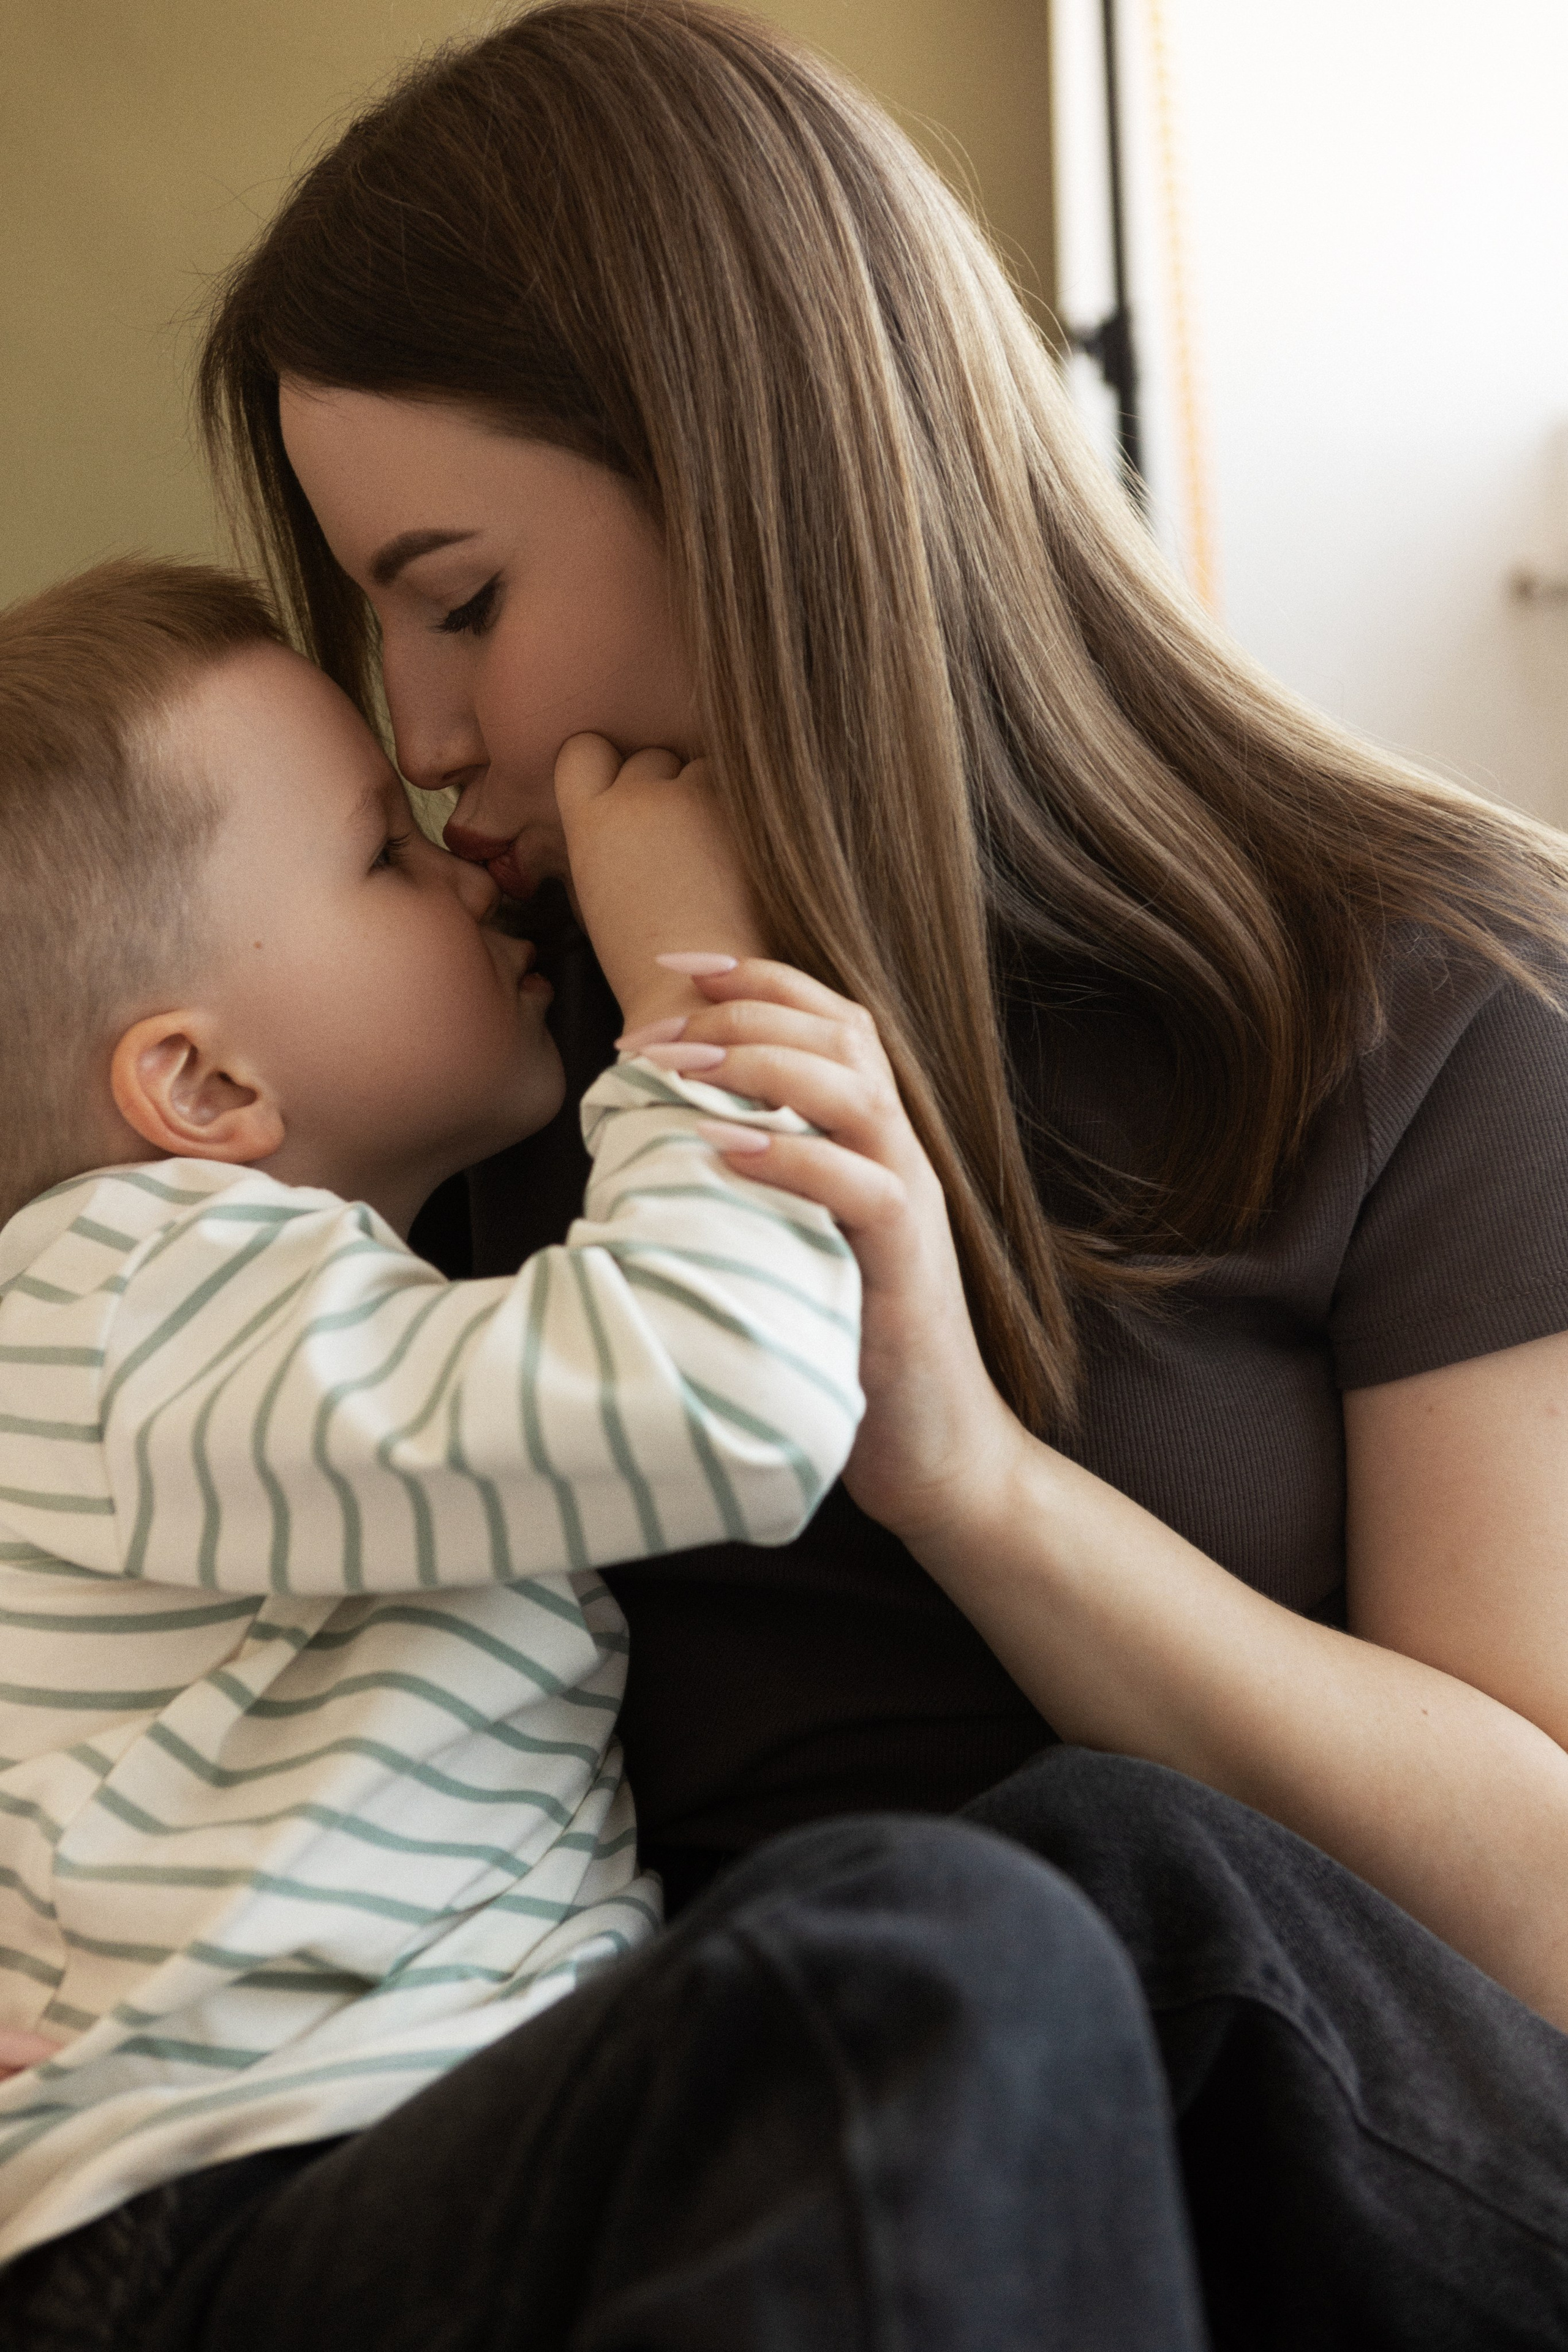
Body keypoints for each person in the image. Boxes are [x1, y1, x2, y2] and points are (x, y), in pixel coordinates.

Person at [12, 0, 1568, 2343]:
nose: (428, 749)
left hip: (1271, 2135)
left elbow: (1536, 1913)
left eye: (458, 600)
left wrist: (973, 1482)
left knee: (1084, 1888)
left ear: (755, 483)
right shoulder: (484, 1062)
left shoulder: (1422, 985)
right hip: (696, 2207)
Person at [0, 557, 875, 2301]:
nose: (462, 860)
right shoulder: (139, 1281)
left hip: (378, 2146)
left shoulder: (188, 1339)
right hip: (242, 2186)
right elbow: (727, 1393)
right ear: (204, 1090)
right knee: (923, 1963)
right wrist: (692, 983)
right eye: (382, 857)